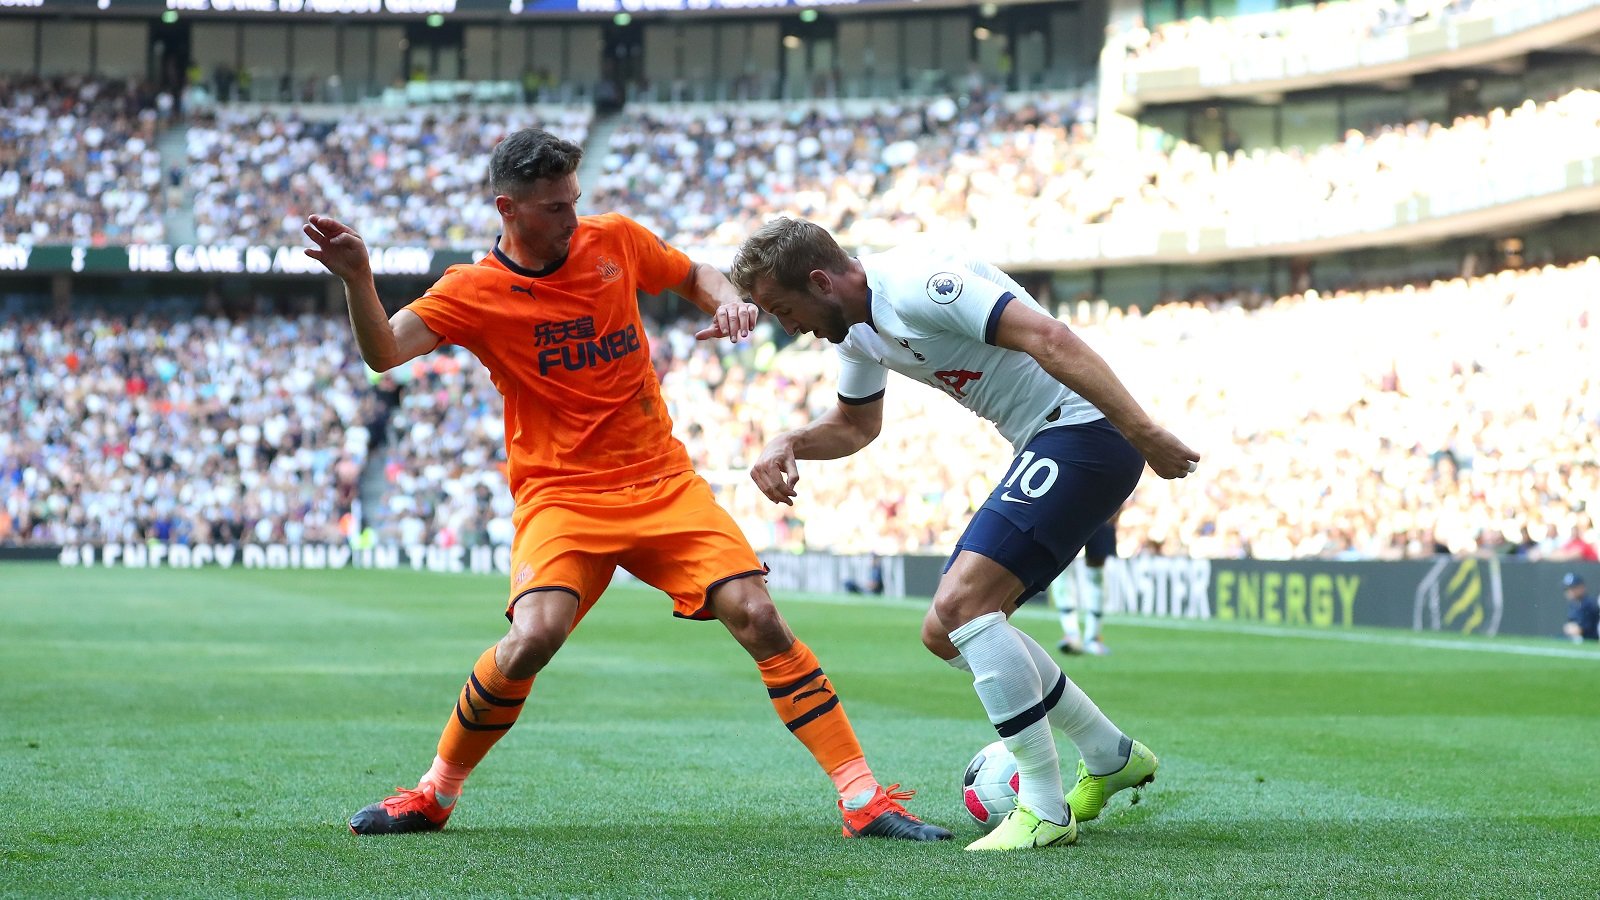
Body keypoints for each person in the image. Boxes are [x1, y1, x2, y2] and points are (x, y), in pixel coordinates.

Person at [303, 130, 949, 842]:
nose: (573, 218)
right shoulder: (473, 291)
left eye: (575, 200)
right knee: (532, 638)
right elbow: (384, 352)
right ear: (507, 209)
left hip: (661, 480)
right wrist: (357, 277)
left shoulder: (614, 241)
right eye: (554, 207)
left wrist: (727, 299)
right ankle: (434, 792)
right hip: (562, 495)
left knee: (759, 617)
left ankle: (862, 797)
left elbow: (695, 272)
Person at [731, 217, 1199, 851]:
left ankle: (1042, 805)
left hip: (1087, 431)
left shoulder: (919, 284)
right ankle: (1109, 754)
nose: (791, 328)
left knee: (962, 608)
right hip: (1050, 438)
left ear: (820, 280)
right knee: (945, 629)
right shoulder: (857, 334)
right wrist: (791, 440)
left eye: (787, 310)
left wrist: (1143, 433)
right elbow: (855, 425)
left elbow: (1049, 336)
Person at [1051, 512, 1119, 656]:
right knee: (1061, 566)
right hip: (1066, 509)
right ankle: (1071, 634)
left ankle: (1093, 637)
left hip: (1101, 506)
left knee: (1096, 569)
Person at [1562, 573, 1598, 643]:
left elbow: (1580, 630)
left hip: (1590, 641)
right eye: (1567, 588)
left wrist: (1569, 628)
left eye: (1572, 588)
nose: (1569, 591)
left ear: (1581, 587)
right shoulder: (1574, 604)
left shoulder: (1588, 604)